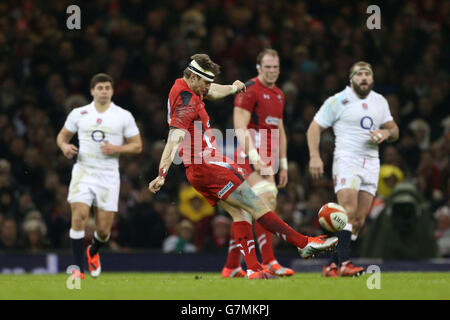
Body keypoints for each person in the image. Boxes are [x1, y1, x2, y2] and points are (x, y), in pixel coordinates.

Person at [148, 53, 338, 279]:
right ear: (194, 77)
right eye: (206, 82)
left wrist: (232, 87)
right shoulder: (187, 101)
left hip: (199, 168)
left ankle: (253, 269)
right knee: (255, 203)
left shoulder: (187, 85)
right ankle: (303, 242)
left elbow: (213, 91)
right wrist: (162, 173)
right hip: (207, 165)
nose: (208, 87)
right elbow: (174, 138)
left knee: (239, 213)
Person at [307, 61, 399, 277]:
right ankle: (345, 264)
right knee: (347, 211)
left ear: (373, 78)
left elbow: (394, 130)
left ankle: (331, 265)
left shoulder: (380, 101)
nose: (364, 77)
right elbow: (314, 128)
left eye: (368, 73)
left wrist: (386, 134)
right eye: (359, 74)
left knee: (358, 221)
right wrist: (314, 156)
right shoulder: (338, 100)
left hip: (371, 162)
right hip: (347, 159)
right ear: (351, 79)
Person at [56, 73, 142, 279]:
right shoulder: (79, 113)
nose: (104, 91)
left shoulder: (123, 115)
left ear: (112, 91)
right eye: (100, 87)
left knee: (103, 231)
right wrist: (64, 147)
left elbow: (137, 146)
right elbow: (62, 136)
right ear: (92, 91)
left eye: (107, 88)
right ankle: (77, 269)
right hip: (84, 171)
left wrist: (117, 148)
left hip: (108, 175)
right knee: (78, 218)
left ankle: (93, 251)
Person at [223, 48, 294, 278]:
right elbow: (239, 126)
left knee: (245, 213)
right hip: (249, 156)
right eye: (268, 67)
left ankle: (231, 266)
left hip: (269, 158)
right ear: (258, 68)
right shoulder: (250, 89)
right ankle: (270, 261)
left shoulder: (279, 95)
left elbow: (280, 130)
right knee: (264, 202)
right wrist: (255, 158)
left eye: (275, 67)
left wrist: (282, 163)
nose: (272, 71)